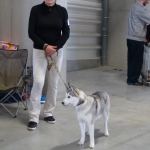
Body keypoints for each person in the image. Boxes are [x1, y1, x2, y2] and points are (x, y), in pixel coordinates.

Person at [27, 0, 70, 131]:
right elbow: (31, 32)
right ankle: (33, 116)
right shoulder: (35, 10)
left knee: (53, 83)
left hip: (56, 52)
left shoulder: (62, 11)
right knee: (39, 82)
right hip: (40, 51)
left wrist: (54, 49)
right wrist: (45, 47)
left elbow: (66, 32)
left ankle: (48, 112)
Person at [126, 0, 150, 86]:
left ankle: (130, 79)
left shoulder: (134, 6)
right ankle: (133, 80)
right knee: (137, 61)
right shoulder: (140, 9)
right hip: (137, 39)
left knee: (131, 60)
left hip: (130, 37)